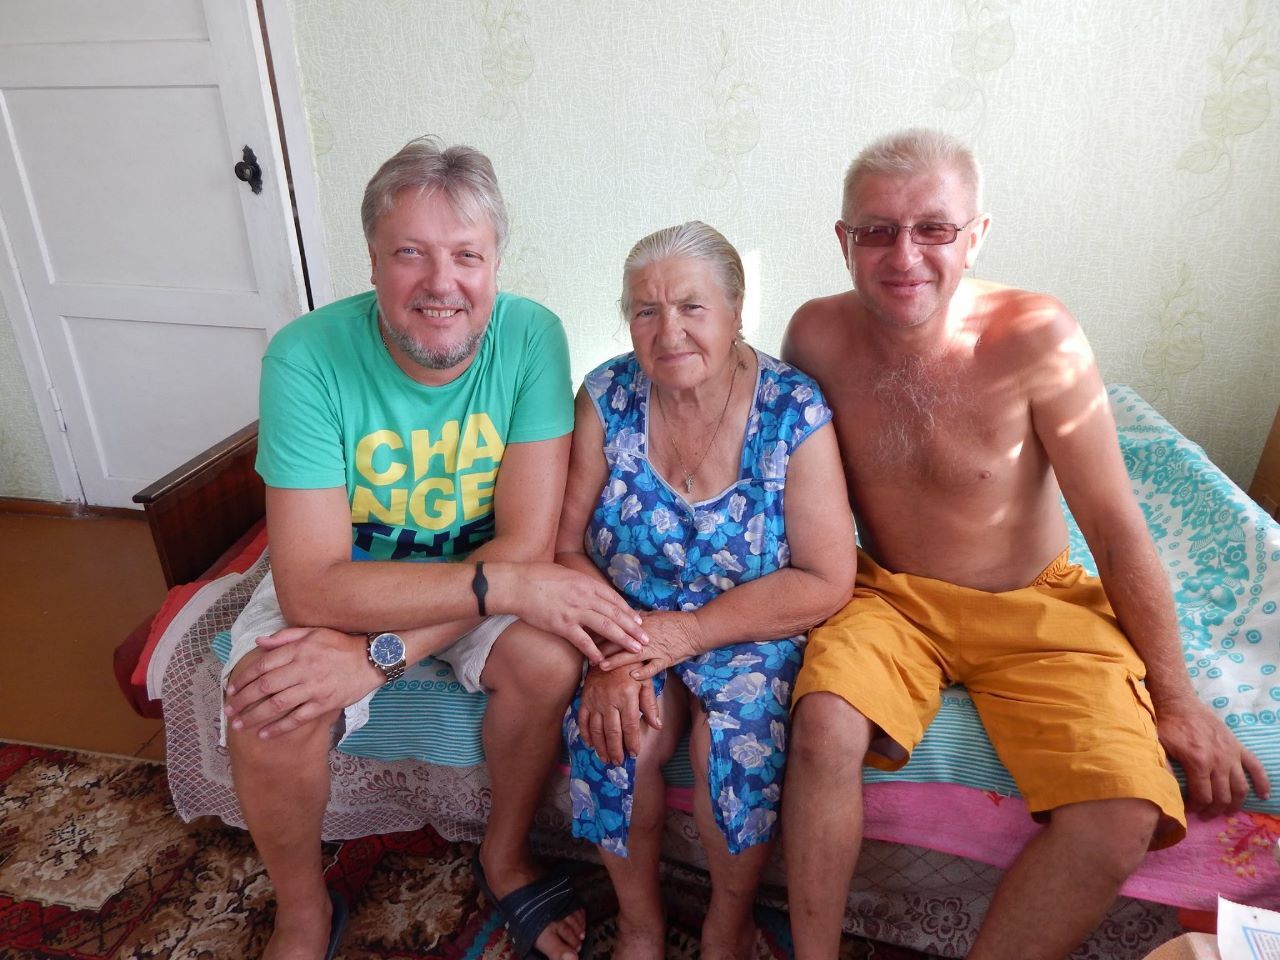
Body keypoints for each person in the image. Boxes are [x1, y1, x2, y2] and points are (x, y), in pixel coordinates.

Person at [780, 128, 1271, 960]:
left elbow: (1115, 529)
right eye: (876, 230)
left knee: (1123, 812)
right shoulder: (815, 338)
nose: (905, 255)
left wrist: (1178, 699)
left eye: (934, 228)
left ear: (976, 237)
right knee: (823, 726)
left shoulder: (1038, 336)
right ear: (844, 241)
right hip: (892, 597)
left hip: (1034, 604)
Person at [218, 137, 648, 960]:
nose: (440, 283)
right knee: (268, 710)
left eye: (466, 256)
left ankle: (505, 853)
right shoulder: (304, 357)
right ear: (373, 262)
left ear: (495, 266)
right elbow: (311, 587)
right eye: (410, 253)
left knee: (550, 662)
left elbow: (523, 547)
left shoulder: (530, 337)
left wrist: (378, 657)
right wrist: (378, 642)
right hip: (352, 583)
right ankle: (303, 908)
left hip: (478, 575)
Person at [556, 222, 856, 960]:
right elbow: (561, 547)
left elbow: (826, 576)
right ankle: (641, 925)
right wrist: (619, 649)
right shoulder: (606, 397)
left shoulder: (792, 411)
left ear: (735, 311)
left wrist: (689, 634)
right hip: (625, 617)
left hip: (749, 621)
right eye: (646, 311)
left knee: (740, 734)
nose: (669, 331)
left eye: (691, 307)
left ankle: (727, 921)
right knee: (615, 732)